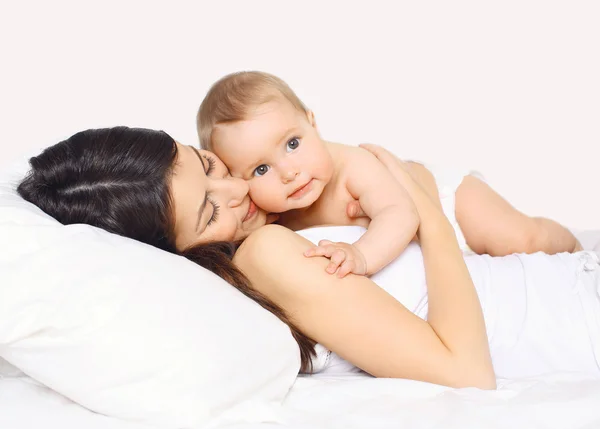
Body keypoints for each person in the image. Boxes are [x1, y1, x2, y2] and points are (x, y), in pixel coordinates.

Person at [17, 126, 600, 390]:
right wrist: (428, 213)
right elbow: (466, 374)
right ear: (174, 254)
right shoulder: (266, 255)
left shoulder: (268, 237)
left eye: (210, 165)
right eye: (209, 213)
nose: (241, 191)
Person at [197, 71, 582, 278]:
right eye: (261, 169)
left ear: (312, 123)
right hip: (436, 258)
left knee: (520, 238)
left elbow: (402, 214)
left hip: (449, 204)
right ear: (239, 179)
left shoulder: (352, 165)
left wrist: (360, 255)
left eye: (293, 143)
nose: (288, 172)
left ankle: (579, 250)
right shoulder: (273, 215)